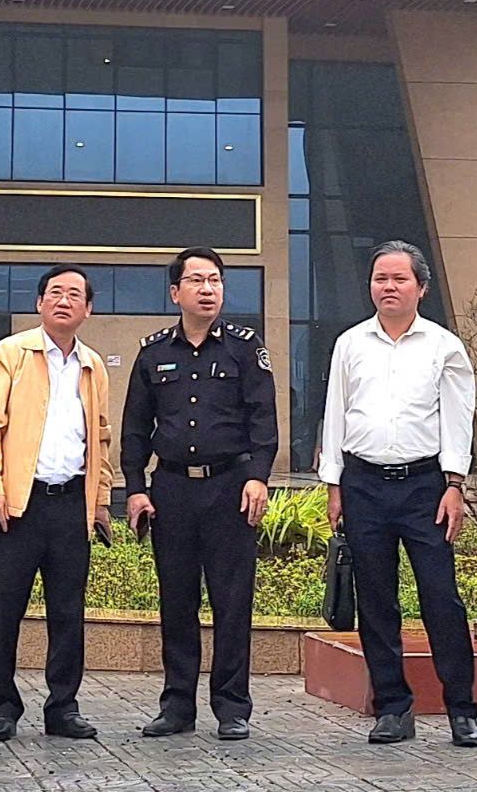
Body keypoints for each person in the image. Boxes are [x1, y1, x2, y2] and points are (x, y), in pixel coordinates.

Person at [320, 240, 477, 749]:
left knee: (441, 599)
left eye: (399, 279)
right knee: (376, 601)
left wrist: (454, 484)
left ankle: (462, 709)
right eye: (380, 279)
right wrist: (334, 482)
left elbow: (458, 421)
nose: (388, 287)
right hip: (363, 485)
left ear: (422, 288)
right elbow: (336, 411)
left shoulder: (443, 346)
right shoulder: (350, 343)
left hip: (424, 487)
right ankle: (392, 707)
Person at [122, 248, 279, 741]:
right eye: (196, 281)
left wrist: (258, 475)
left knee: (233, 602)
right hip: (171, 490)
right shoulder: (153, 353)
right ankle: (177, 706)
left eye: (215, 280)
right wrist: (135, 489)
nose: (207, 289)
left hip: (230, 488)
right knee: (177, 601)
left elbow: (263, 419)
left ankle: (232, 706)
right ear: (176, 293)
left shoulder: (245, 349)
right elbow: (133, 429)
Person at [0, 265, 113, 743]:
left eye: (75, 294)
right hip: (17, 504)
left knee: (68, 612)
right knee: (5, 609)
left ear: (88, 309)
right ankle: (1, 707)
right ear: (39, 303)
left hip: (71, 503)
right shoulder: (11, 353)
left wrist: (100, 501)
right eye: (55, 292)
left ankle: (63, 707)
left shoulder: (92, 365)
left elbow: (102, 438)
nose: (64, 301)